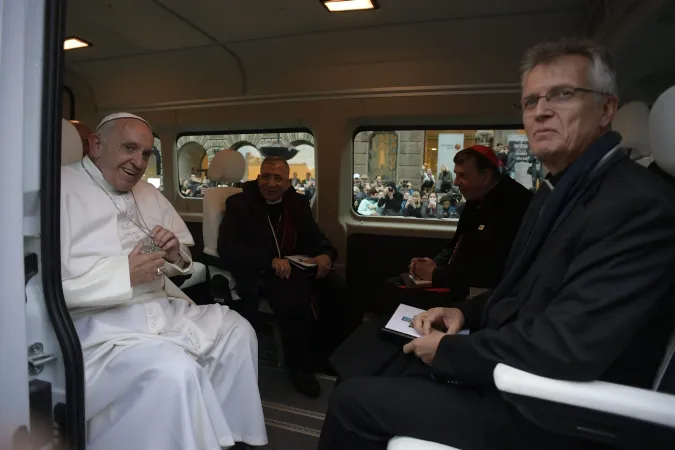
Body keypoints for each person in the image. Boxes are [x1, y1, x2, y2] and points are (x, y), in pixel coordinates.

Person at [319, 38, 675, 450]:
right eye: (529, 102)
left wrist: (452, 352)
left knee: (350, 402)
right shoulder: (556, 194)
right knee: (394, 359)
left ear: (607, 109)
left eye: (563, 94)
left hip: (551, 412)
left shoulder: (637, 206)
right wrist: (459, 312)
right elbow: (518, 291)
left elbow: (566, 346)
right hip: (516, 378)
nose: (541, 111)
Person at [61, 113, 267, 450]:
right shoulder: (58, 191)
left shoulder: (147, 192)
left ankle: (229, 437)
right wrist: (122, 275)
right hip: (98, 327)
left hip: (159, 309)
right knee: (175, 370)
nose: (138, 162)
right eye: (129, 148)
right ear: (96, 145)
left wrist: (174, 254)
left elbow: (184, 253)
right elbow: (37, 289)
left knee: (237, 330)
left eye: (145, 153)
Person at [218, 157, 356, 398]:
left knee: (336, 287)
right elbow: (228, 250)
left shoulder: (297, 203)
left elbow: (315, 238)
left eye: (277, 178)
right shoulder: (239, 204)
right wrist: (269, 261)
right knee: (293, 298)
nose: (270, 183)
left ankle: (331, 355)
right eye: (265, 176)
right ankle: (300, 368)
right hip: (260, 273)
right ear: (258, 177)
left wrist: (326, 255)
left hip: (296, 268)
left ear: (288, 182)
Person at [377, 144, 532, 314]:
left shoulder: (513, 206)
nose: (456, 182)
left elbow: (488, 269)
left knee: (391, 290)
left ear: (486, 176)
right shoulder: (476, 198)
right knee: (391, 284)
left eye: (462, 175)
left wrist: (436, 274)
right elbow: (457, 244)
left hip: (479, 295)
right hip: (456, 278)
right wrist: (434, 263)